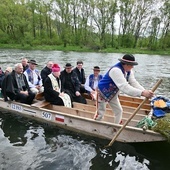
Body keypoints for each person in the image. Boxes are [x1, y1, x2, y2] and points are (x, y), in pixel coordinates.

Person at [94, 54, 154, 124]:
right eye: (131, 65)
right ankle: (96, 127)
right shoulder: (116, 70)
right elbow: (125, 88)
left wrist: (144, 91)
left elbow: (133, 82)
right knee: (100, 113)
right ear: (126, 64)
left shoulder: (129, 71)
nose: (132, 67)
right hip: (102, 93)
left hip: (113, 93)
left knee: (119, 111)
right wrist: (142, 93)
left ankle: (116, 127)